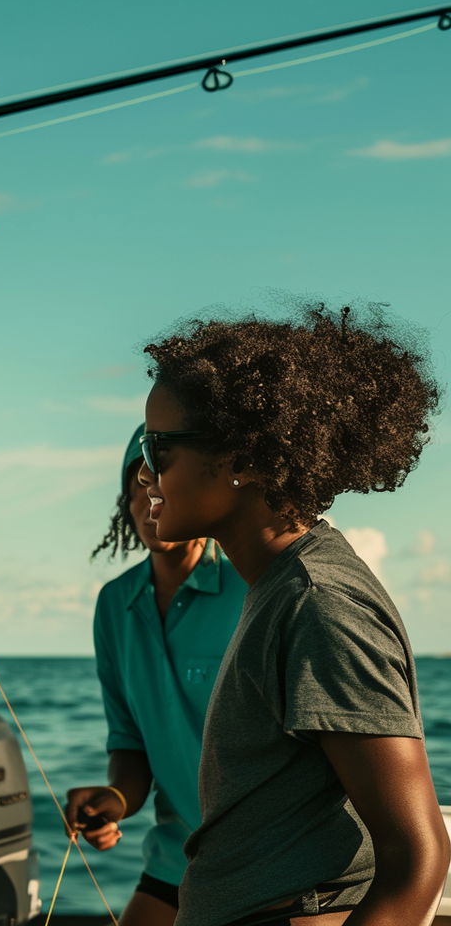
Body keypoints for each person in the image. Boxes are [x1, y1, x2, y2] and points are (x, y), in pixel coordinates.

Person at [136, 304, 450, 926]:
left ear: (245, 458)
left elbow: (418, 855)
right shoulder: (281, 588)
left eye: (159, 447)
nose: (145, 471)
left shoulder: (318, 603)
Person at [64, 423, 245, 925]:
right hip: (177, 858)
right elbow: (130, 741)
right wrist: (116, 799)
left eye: (161, 484)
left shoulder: (249, 587)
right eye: (137, 488)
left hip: (267, 868)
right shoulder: (114, 605)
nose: (149, 501)